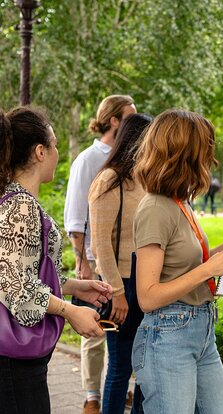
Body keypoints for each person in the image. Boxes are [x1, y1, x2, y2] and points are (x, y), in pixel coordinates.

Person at [131, 110, 223, 413]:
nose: (212, 158)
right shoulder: (155, 208)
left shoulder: (180, 201)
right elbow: (147, 296)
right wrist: (208, 270)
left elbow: (188, 263)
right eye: (206, 149)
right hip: (168, 335)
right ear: (186, 154)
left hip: (200, 329)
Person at [0, 106, 113, 414]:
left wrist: (74, 286)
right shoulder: (21, 207)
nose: (57, 151)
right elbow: (17, 288)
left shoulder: (17, 202)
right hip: (13, 364)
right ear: (39, 151)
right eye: (54, 144)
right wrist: (70, 311)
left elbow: (21, 271)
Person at [64, 94, 136, 414]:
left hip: (120, 259)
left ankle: (114, 390)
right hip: (93, 260)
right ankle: (93, 396)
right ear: (114, 121)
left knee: (118, 335)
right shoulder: (88, 160)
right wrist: (84, 266)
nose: (135, 124)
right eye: (129, 117)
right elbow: (76, 220)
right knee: (95, 330)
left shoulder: (129, 160)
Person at [89, 114, 152, 414]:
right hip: (121, 286)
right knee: (120, 368)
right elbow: (99, 243)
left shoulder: (144, 178)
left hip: (146, 284)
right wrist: (116, 291)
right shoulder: (109, 179)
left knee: (145, 367)